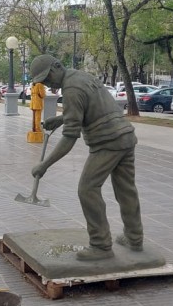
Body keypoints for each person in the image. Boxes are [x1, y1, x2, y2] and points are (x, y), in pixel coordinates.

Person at [29, 54, 143, 261]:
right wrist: (61, 119)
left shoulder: (71, 89)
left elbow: (70, 137)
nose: (48, 83)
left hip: (108, 141)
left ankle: (100, 246)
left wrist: (44, 164)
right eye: (44, 82)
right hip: (125, 136)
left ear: (57, 66)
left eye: (47, 78)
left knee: (87, 189)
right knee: (126, 190)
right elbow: (88, 108)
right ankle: (134, 237)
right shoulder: (81, 77)